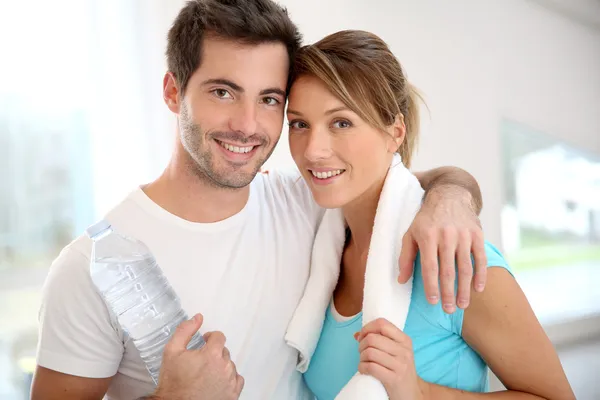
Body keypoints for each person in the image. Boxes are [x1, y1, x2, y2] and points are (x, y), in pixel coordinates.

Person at [31, 1, 487, 399]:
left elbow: (404, 183)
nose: (248, 125)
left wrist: (451, 196)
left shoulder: (308, 204)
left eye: (269, 99)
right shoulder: (93, 268)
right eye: (223, 92)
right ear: (174, 92)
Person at [285, 30, 575, 400]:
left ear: (395, 132)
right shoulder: (319, 251)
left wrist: (419, 392)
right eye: (299, 124)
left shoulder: (457, 261)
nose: (313, 151)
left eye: (341, 122)